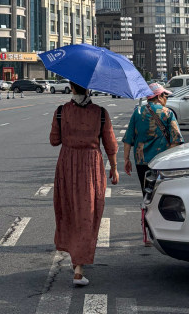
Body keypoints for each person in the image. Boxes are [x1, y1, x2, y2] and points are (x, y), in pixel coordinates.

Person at [50, 81, 119, 287]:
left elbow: (54, 140)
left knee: (69, 211)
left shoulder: (61, 111)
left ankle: (76, 262)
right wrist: (114, 168)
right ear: (89, 88)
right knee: (88, 213)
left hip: (66, 165)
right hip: (91, 166)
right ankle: (79, 267)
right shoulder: (101, 113)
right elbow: (111, 144)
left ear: (71, 88)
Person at [123, 83, 183, 191]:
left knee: (146, 191)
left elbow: (128, 139)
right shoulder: (168, 113)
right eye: (165, 96)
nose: (166, 99)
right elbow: (176, 140)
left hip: (141, 161)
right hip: (161, 162)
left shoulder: (138, 112)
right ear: (159, 97)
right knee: (161, 193)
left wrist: (126, 159)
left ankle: (145, 208)